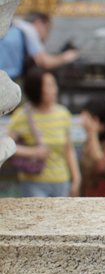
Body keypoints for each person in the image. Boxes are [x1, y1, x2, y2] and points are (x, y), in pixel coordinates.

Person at [7, 66, 79, 197]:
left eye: (54, 85)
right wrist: (33, 152)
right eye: (49, 86)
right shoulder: (22, 115)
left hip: (61, 181)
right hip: (33, 182)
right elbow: (5, 145)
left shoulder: (63, 114)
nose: (54, 90)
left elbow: (68, 149)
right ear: (37, 89)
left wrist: (76, 178)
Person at [0, 9, 76, 83]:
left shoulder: (14, 26)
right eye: (47, 29)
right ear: (39, 23)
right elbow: (44, 61)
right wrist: (66, 57)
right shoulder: (29, 29)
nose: (47, 36)